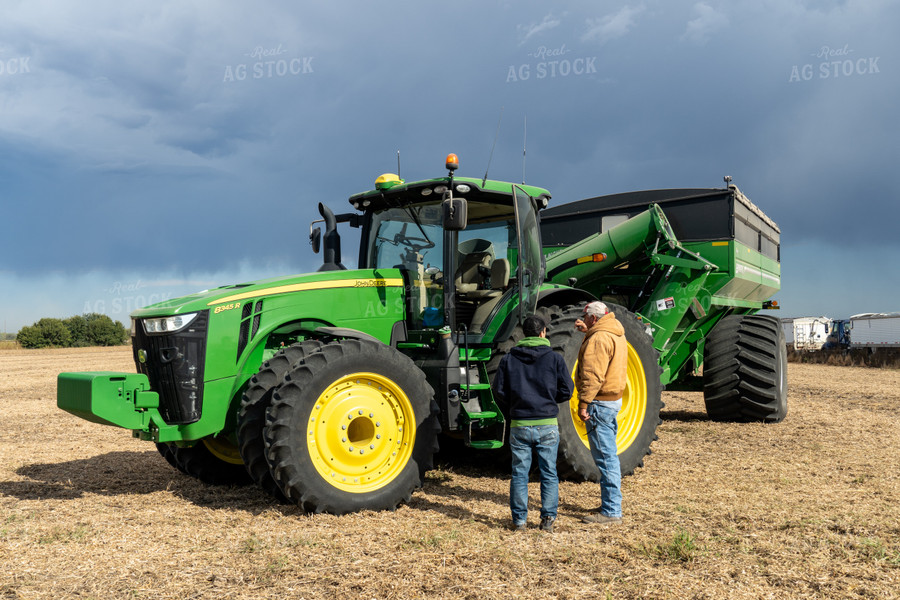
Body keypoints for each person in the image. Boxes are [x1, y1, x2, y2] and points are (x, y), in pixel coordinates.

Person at [493, 314, 574, 533]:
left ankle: (519, 521)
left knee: (520, 473)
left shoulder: (509, 359)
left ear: (524, 334)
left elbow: (498, 390)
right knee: (549, 472)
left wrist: (517, 403)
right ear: (543, 332)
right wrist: (547, 401)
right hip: (547, 423)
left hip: (519, 423)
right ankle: (547, 519)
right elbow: (567, 390)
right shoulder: (555, 359)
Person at [574, 301, 628, 525]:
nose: (583, 319)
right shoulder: (614, 331)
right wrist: (589, 332)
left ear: (594, 319)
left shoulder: (598, 338)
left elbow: (593, 375)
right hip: (613, 401)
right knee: (609, 455)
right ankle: (610, 502)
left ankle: (612, 511)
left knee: (606, 459)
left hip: (599, 403)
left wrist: (583, 403)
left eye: (586, 317)